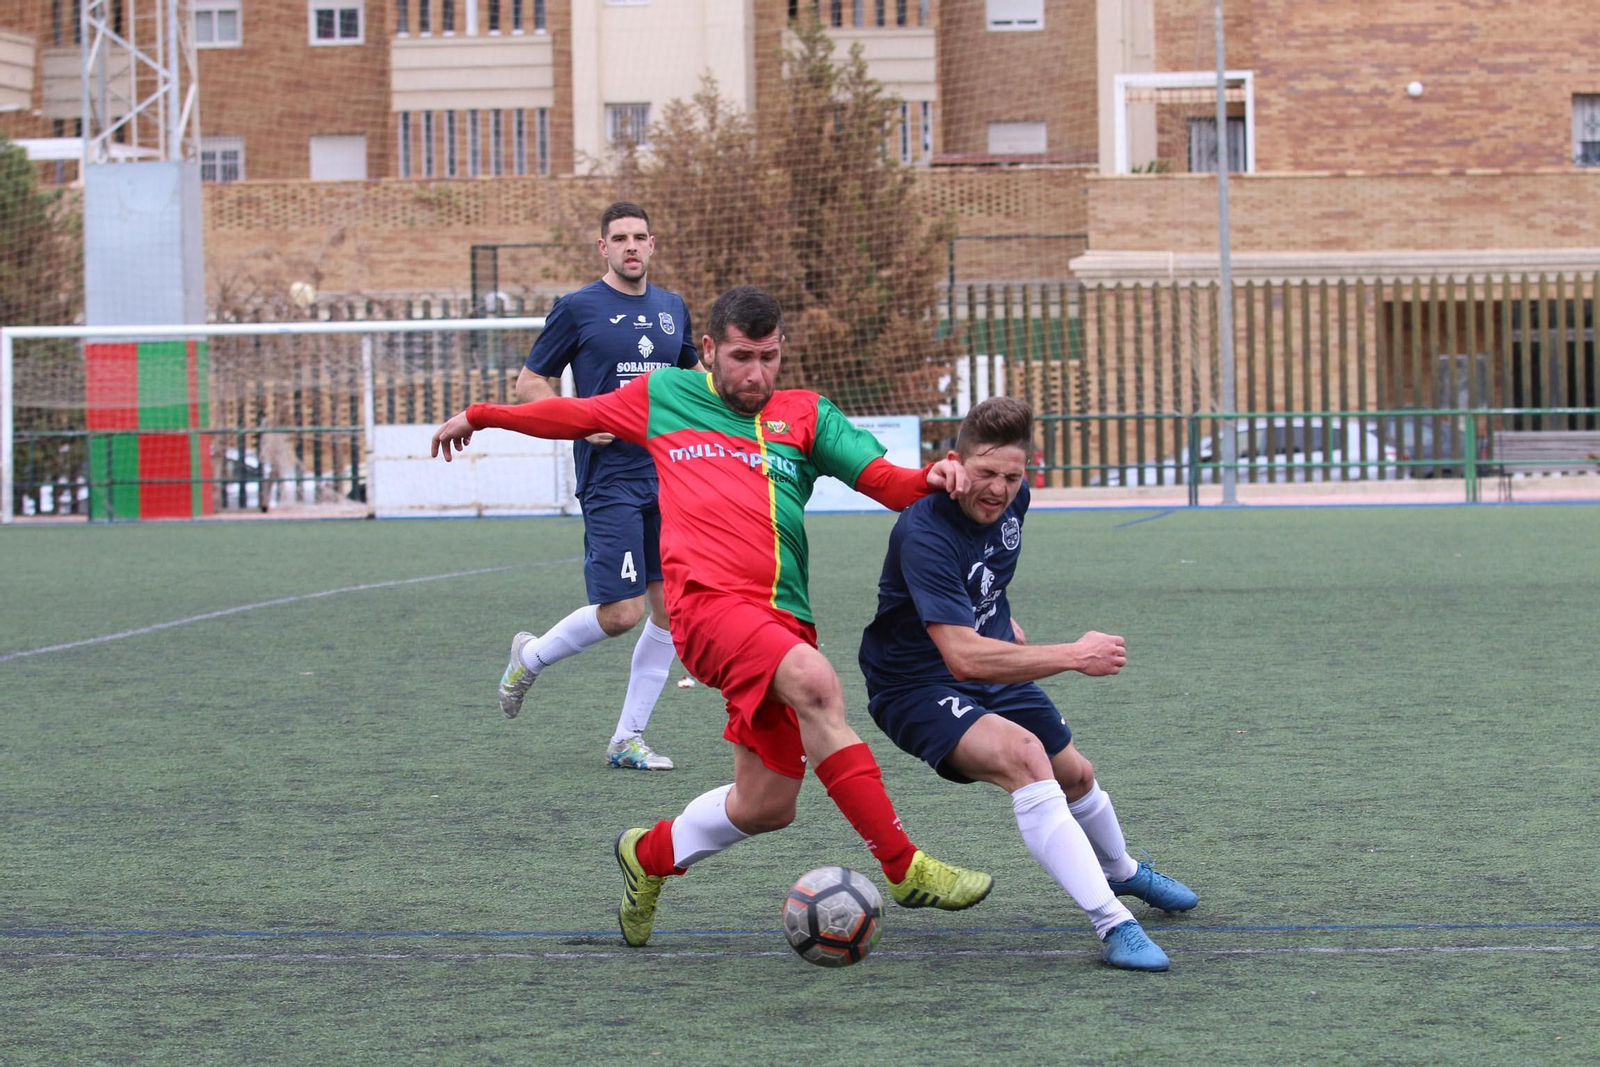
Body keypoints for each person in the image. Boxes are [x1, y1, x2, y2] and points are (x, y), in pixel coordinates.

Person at [431, 285, 994, 946]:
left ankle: (648, 855)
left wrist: (931, 475)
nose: (756, 374)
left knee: (767, 804)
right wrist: (483, 413)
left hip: (782, 620)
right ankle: (904, 866)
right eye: (740, 357)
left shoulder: (806, 414)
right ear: (708, 351)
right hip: (703, 607)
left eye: (769, 357)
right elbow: (573, 414)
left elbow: (883, 480)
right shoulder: (666, 394)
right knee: (818, 684)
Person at [858, 396, 1198, 972]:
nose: (998, 489)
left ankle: (1122, 870)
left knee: (1077, 774)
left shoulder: (1017, 500)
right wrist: (1071, 654)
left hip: (992, 657)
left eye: (1012, 476)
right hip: (914, 684)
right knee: (1025, 757)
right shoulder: (924, 529)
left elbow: (985, 579)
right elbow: (962, 657)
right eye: (986, 474)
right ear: (955, 464)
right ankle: (1114, 922)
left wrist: (997, 617)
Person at [499, 201, 702, 771]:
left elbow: (689, 378)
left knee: (670, 612)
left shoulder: (671, 309)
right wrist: (583, 419)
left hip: (667, 474)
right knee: (621, 614)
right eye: (620, 238)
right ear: (603, 248)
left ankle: (626, 739)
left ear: (653, 245)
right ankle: (530, 657)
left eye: (640, 237)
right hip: (610, 477)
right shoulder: (578, 308)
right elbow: (528, 384)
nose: (631, 246)